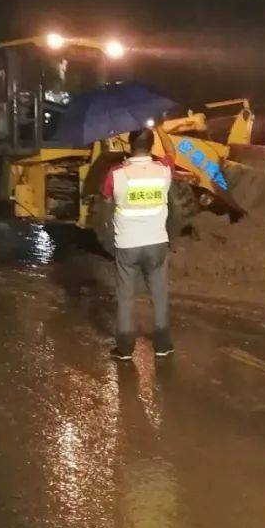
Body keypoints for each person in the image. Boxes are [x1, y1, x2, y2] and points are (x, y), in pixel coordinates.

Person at [101, 127, 174, 360]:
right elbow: (172, 153)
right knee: (159, 294)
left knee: (126, 297)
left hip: (127, 244)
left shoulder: (116, 173)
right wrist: (160, 128)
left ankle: (124, 348)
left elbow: (106, 200)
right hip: (157, 242)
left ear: (130, 145)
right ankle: (162, 345)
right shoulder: (163, 170)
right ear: (152, 145)